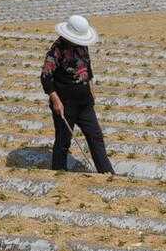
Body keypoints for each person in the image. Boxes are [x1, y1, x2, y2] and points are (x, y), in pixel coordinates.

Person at [40, 14, 115, 174]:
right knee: (63, 141)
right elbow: (46, 78)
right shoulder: (56, 51)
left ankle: (106, 172)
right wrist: (56, 101)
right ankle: (59, 173)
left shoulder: (82, 46)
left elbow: (87, 68)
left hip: (85, 103)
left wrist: (91, 89)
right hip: (65, 104)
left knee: (96, 136)